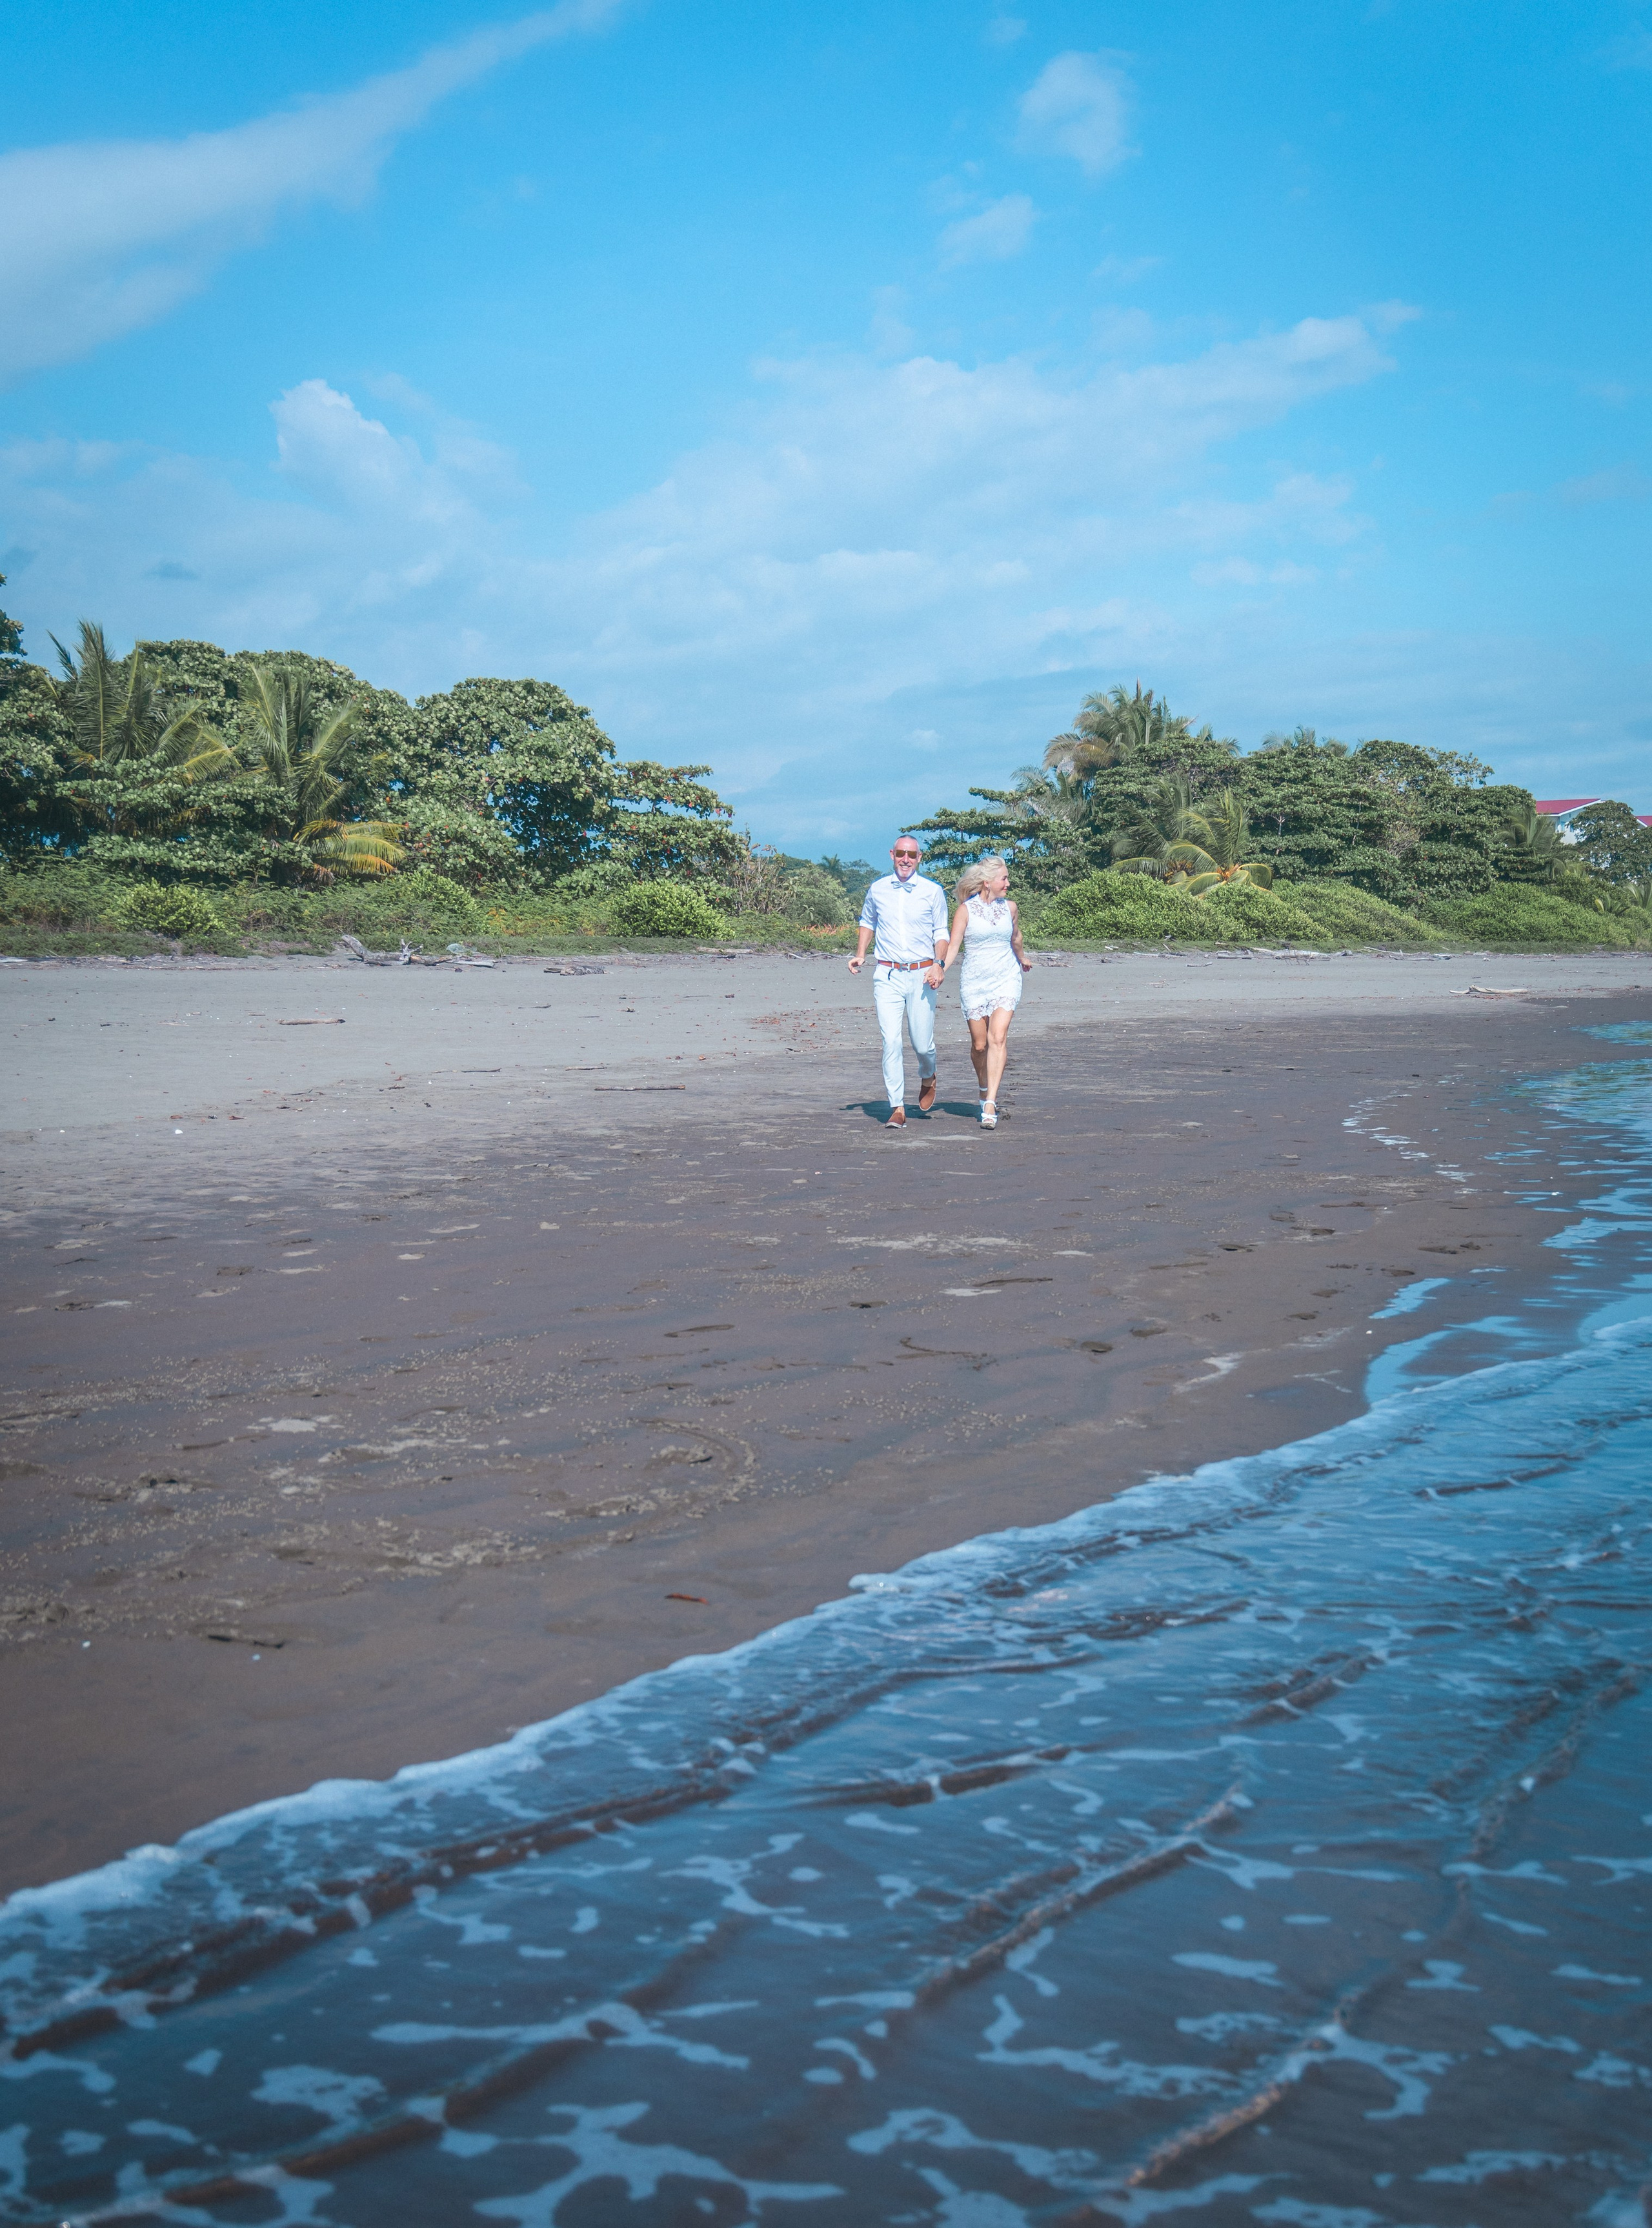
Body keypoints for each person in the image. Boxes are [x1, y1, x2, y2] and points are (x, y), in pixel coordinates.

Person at [849, 838, 950, 1129]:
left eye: (912, 855)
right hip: (887, 974)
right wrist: (860, 954)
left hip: (922, 975)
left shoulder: (933, 891)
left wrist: (938, 964)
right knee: (891, 1041)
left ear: (920, 858)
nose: (906, 859)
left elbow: (941, 932)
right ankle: (897, 1107)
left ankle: (928, 1074)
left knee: (922, 1044)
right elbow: (868, 921)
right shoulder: (877, 889)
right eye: (901, 854)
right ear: (892, 855)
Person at [929, 855, 1031, 1129]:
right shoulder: (966, 910)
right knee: (979, 1045)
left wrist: (1022, 958)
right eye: (1004, 878)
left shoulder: (1010, 908)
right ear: (988, 882)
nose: (1008, 883)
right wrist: (939, 969)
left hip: (1006, 978)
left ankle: (990, 1103)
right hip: (975, 981)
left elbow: (1016, 937)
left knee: (997, 1037)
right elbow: (953, 947)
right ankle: (983, 1085)